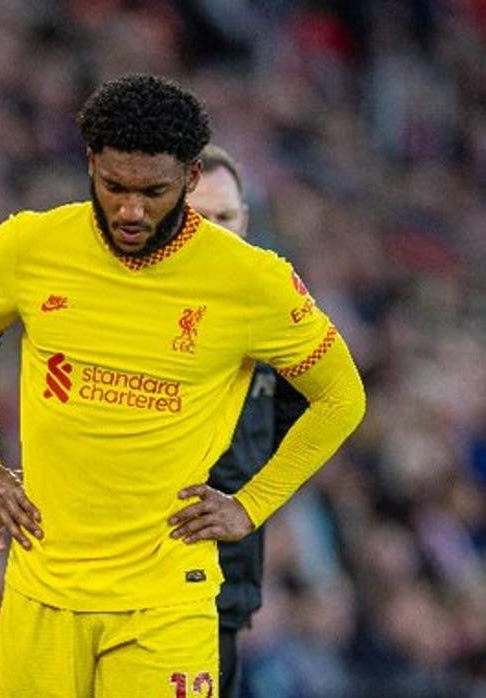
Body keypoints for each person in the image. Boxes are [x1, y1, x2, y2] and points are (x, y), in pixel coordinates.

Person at [0, 74, 366, 697]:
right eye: (114, 187)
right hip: (41, 592)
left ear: (190, 179)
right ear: (90, 164)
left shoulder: (251, 280)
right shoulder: (28, 245)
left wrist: (252, 504)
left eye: (154, 191)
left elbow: (341, 395)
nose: (131, 209)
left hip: (165, 603)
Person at [188, 144, 311, 696]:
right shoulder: (138, 310)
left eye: (225, 217)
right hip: (153, 575)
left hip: (233, 580)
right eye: (199, 217)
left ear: (246, 221)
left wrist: (256, 503)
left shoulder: (273, 312)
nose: (214, 230)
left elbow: (304, 412)